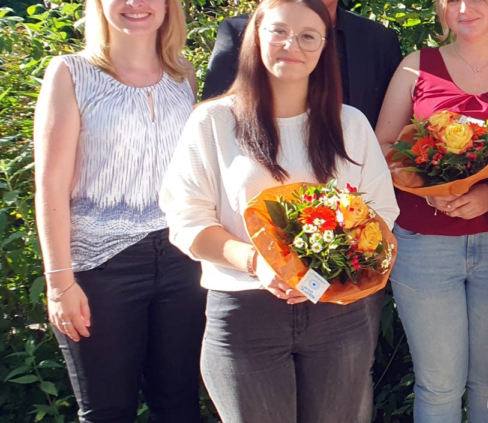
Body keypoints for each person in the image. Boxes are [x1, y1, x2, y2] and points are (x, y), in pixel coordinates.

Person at [158, 0, 398, 421]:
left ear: (324, 48)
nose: (293, 45)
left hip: (337, 316)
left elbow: (380, 211)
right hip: (245, 313)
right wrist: (258, 262)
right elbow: (187, 219)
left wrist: (340, 267)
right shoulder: (213, 122)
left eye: (308, 36)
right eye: (279, 31)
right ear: (255, 35)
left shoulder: (351, 125)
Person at [32, 0, 204, 420]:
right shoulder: (70, 72)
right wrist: (59, 283)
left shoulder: (183, 75)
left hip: (182, 263)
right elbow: (50, 184)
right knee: (107, 411)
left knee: (180, 405)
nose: (135, 4)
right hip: (99, 270)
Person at [371, 0, 488, 421]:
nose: (464, 7)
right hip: (424, 249)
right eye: (450, 0)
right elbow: (382, 146)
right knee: (438, 385)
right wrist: (427, 190)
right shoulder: (415, 66)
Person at [199, 0, 401, 128]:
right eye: (279, 32)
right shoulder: (238, 31)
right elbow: (219, 117)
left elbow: (390, 131)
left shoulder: (379, 40)